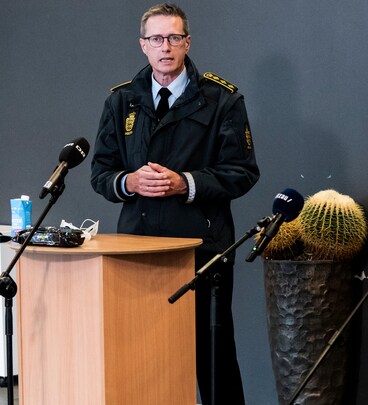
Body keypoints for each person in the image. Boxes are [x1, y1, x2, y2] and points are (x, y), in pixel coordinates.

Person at [90, 3, 259, 404]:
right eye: (156, 39)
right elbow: (101, 173)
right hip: (138, 251)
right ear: (143, 45)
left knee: (214, 362)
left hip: (201, 252)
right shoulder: (121, 101)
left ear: (187, 42)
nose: (165, 46)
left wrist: (184, 183)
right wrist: (129, 181)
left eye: (173, 37)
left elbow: (242, 172)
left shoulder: (222, 100)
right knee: (143, 361)